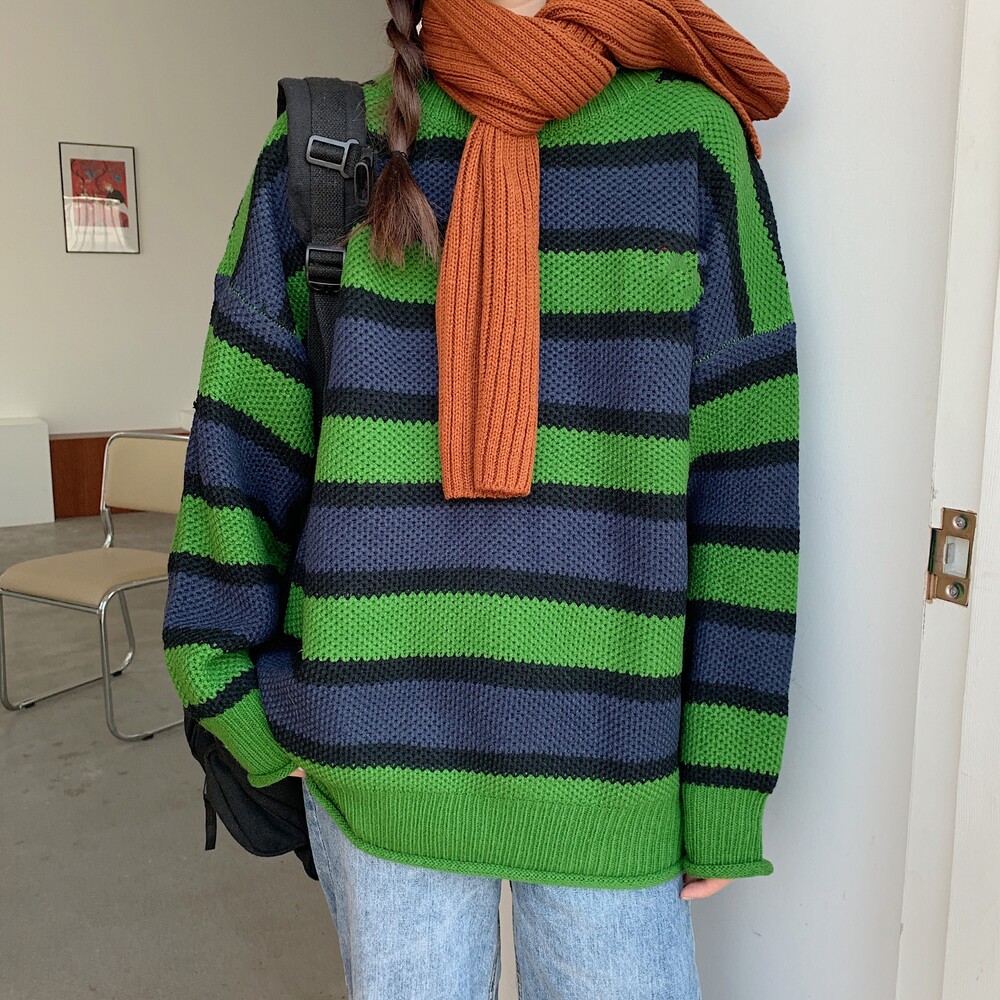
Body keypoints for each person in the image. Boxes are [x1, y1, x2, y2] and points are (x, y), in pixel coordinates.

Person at [161, 0, 800, 995]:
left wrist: (727, 778)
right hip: (377, 767)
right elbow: (236, 456)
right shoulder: (324, 147)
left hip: (610, 775)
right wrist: (231, 697)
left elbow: (746, 486)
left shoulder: (690, 145)